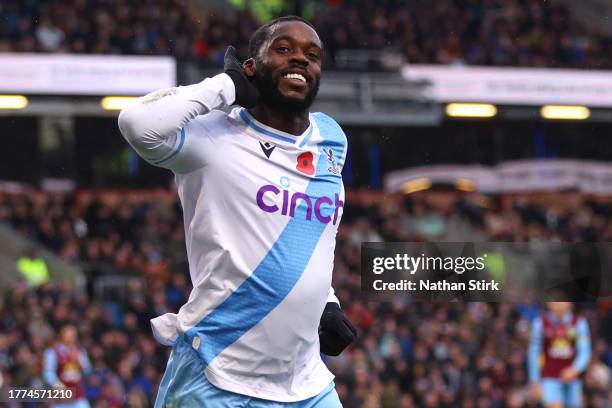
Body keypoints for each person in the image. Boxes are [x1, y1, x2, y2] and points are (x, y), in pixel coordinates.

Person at [118, 15, 356, 407]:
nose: (300, 60)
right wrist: (226, 85)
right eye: (283, 50)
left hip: (306, 383)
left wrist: (327, 301)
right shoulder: (211, 136)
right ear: (251, 67)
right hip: (215, 376)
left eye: (311, 56)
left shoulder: (331, 138)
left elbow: (309, 232)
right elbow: (137, 123)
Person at [528, 302, 592, 408]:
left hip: (573, 379)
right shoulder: (540, 323)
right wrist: (535, 381)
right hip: (549, 377)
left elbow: (585, 352)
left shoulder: (579, 323)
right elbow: (533, 353)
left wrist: (574, 369)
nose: (558, 304)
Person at [43, 325, 92, 408]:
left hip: (78, 395)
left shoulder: (80, 351)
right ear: (61, 336)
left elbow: (88, 371)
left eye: (73, 335)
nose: (71, 338)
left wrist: (81, 363)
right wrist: (58, 386)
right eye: (68, 335)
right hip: (61, 397)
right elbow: (48, 373)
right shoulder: (52, 352)